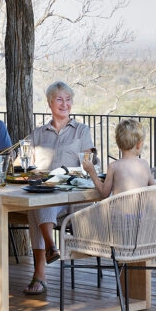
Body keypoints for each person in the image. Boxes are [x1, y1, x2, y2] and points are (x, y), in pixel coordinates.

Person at [23, 81, 97, 295]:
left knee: (38, 207)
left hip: (73, 197)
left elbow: (88, 163)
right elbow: (24, 161)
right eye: (59, 99)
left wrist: (84, 164)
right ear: (49, 103)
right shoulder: (38, 134)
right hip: (47, 194)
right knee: (38, 204)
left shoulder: (81, 131)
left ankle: (41, 269)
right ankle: (51, 248)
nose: (64, 104)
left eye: (68, 99)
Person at [82, 118, 154, 198]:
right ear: (139, 145)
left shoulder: (113, 166)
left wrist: (92, 172)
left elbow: (104, 193)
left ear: (118, 143)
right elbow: (154, 190)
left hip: (118, 210)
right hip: (141, 210)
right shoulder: (144, 164)